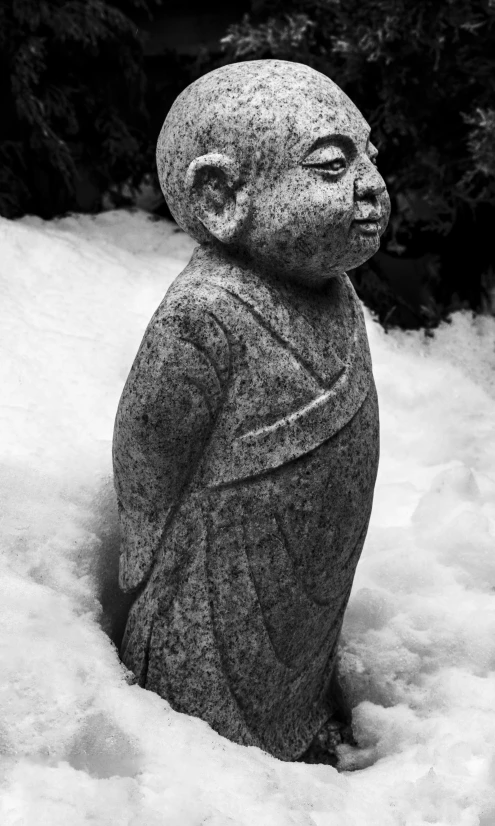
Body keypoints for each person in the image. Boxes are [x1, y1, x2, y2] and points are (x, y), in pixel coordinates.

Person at [113, 59, 390, 761]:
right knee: (215, 686)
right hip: (216, 562)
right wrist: (145, 540)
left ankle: (298, 720)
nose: (372, 189)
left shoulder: (333, 293)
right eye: (331, 166)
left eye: (370, 157)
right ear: (220, 195)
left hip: (317, 559)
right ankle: (213, 761)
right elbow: (148, 444)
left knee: (301, 648)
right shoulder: (205, 313)